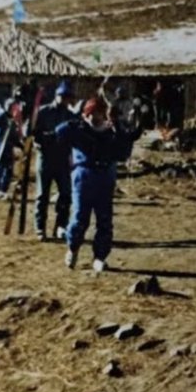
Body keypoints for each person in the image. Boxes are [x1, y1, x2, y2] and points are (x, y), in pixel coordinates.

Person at [55, 97, 141, 273]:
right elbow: (58, 134)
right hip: (83, 177)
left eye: (100, 113)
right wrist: (77, 118)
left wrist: (117, 123)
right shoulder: (78, 130)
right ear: (86, 114)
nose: (96, 117)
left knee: (104, 220)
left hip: (105, 178)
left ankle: (99, 257)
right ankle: (73, 248)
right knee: (79, 217)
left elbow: (124, 150)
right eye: (92, 113)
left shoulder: (112, 132)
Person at [32, 80, 74, 240]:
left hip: (62, 159)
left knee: (65, 194)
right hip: (46, 158)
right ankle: (40, 227)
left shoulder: (70, 116)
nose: (64, 99)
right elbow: (34, 135)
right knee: (42, 195)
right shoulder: (43, 112)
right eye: (62, 96)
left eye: (67, 97)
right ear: (56, 96)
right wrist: (48, 138)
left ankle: (61, 226)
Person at [0, 90, 23, 200]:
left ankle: (3, 190)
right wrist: (2, 111)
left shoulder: (11, 120)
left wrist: (20, 144)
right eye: (12, 107)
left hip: (8, 147)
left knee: (8, 169)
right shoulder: (0, 115)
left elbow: (13, 135)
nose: (14, 109)